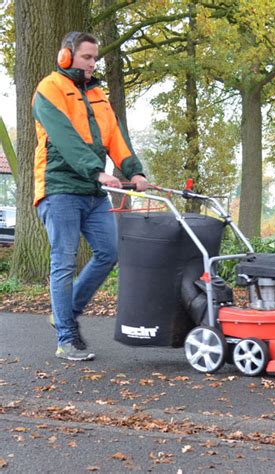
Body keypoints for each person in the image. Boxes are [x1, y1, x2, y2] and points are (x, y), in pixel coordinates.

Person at [32, 31, 148, 361]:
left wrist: (134, 169)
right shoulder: (49, 90)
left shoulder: (97, 92)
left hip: (92, 191)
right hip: (59, 189)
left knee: (109, 251)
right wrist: (96, 171)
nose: (92, 63)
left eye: (95, 58)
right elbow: (64, 138)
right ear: (65, 56)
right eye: (86, 57)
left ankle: (64, 312)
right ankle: (66, 338)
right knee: (64, 261)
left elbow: (115, 135)